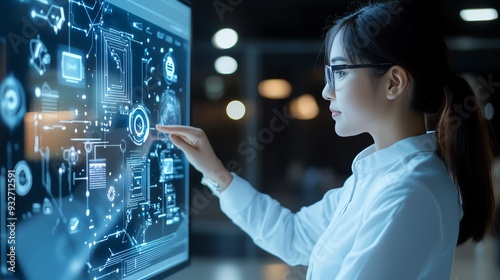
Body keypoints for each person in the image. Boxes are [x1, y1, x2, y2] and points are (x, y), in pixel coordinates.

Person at [157, 0, 496, 278]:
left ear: (394, 83)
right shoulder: (374, 179)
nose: (326, 91)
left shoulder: (409, 190)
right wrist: (217, 173)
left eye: (341, 72)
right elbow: (292, 236)